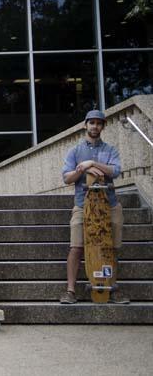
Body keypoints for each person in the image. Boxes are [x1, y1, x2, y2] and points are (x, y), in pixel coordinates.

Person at [59, 109, 128, 304]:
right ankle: (70, 291)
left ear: (103, 127)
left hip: (110, 204)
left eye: (99, 123)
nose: (95, 126)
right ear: (85, 125)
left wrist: (93, 162)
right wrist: (83, 167)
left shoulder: (110, 150)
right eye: (92, 123)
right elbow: (66, 177)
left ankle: (112, 288)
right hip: (83, 205)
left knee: (112, 247)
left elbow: (115, 171)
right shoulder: (75, 151)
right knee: (76, 247)